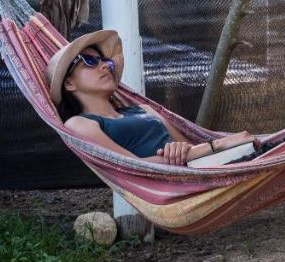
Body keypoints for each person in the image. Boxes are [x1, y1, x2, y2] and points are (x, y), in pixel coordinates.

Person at [45, 29, 254, 165]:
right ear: (69, 83)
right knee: (252, 146)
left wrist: (182, 149)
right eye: (88, 61)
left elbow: (187, 147)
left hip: (202, 167)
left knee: (267, 145)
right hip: (175, 179)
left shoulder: (143, 109)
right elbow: (133, 166)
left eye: (105, 62)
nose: (103, 65)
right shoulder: (79, 124)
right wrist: (218, 145)